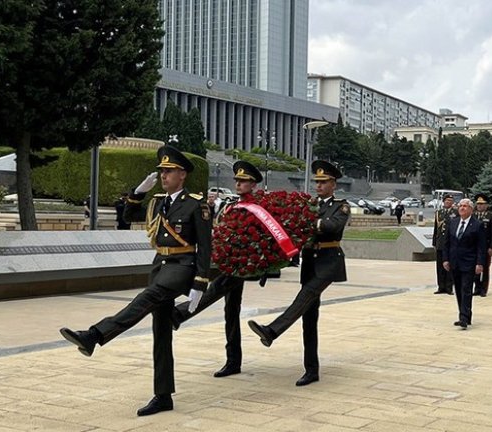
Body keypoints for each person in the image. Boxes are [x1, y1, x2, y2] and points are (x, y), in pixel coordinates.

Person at [58, 145, 211, 416]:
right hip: (160, 265)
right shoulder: (157, 202)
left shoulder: (195, 204)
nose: (164, 176)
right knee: (160, 332)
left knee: (146, 298)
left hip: (182, 267)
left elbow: (205, 246)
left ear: (182, 174)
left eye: (169, 171)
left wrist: (200, 283)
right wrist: (137, 194)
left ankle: (94, 335)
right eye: (162, 171)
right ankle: (163, 395)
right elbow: (127, 218)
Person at [247, 160, 349, 387]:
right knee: (309, 317)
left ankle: (272, 331)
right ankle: (311, 370)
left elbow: (332, 227)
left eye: (323, 182)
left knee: (304, 297)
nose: (319, 186)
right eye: (317, 182)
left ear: (333, 184)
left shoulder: (341, 206)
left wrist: (306, 221)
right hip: (310, 262)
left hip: (329, 262)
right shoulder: (310, 204)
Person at [171, 161, 264, 378]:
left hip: (243, 264)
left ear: (253, 185)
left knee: (217, 288)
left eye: (244, 181)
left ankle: (181, 313)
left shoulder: (257, 208)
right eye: (237, 181)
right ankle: (233, 360)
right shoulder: (230, 205)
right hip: (229, 261)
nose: (239, 184)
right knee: (230, 311)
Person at [443, 199, 487, 329]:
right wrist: (445, 259)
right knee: (458, 290)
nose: (462, 208)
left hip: (469, 262)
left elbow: (481, 246)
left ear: (471, 209)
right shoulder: (453, 222)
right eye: (461, 206)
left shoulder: (477, 225)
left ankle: (463, 318)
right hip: (454, 262)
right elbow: (447, 243)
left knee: (466, 289)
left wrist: (480, 263)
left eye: (465, 206)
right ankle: (466, 315)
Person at [472, 194, 492, 297]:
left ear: (486, 205)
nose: (479, 206)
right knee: (475, 267)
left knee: (485, 268)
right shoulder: (473, 216)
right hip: (474, 246)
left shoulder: (490, 216)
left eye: (482, 204)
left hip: (486, 246)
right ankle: (477, 287)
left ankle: (484, 289)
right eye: (478, 204)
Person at [433, 194, 457, 294]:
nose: (449, 202)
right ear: (444, 201)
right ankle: (441, 286)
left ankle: (449, 287)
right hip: (440, 242)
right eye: (447, 200)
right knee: (439, 266)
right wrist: (434, 242)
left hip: (450, 243)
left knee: (449, 265)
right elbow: (436, 228)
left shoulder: (455, 213)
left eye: (451, 200)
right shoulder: (439, 213)